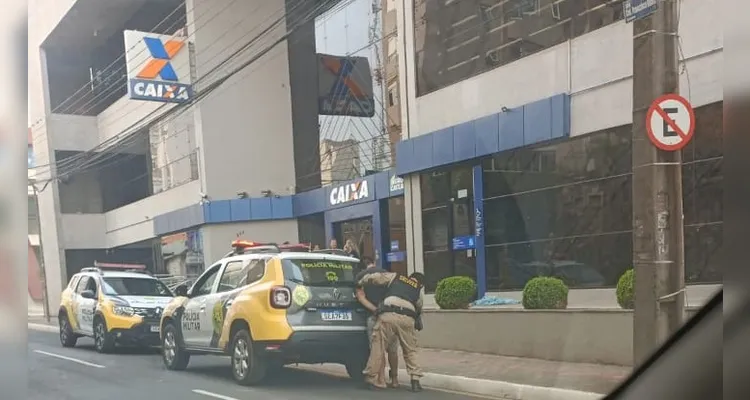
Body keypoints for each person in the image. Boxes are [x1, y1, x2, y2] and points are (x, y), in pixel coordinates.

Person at [357, 271, 425, 392]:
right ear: (421, 283)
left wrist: (363, 280)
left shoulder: (397, 276)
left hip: (388, 313)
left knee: (378, 346)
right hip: (407, 317)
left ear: (409, 277)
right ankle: (415, 380)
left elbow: (378, 277)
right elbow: (419, 307)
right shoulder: (418, 289)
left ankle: (370, 379)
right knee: (410, 349)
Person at [354, 258, 399, 388]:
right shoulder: (386, 273)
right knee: (393, 349)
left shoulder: (360, 276)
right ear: (374, 263)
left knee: (377, 348)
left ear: (363, 267)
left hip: (374, 316)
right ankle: (395, 380)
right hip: (391, 314)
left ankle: (381, 379)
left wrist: (375, 309)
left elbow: (361, 297)